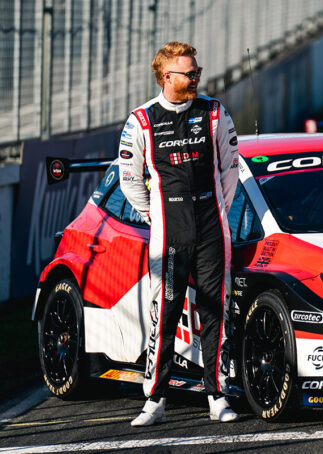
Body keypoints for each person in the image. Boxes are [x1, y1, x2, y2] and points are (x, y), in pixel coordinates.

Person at [119, 41, 240, 426]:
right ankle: (155, 399)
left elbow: (231, 171)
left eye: (197, 72)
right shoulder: (140, 120)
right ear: (167, 76)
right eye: (190, 73)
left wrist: (216, 208)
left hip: (211, 227)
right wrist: (156, 215)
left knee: (214, 312)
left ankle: (216, 395)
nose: (196, 78)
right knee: (165, 315)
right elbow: (129, 181)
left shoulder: (215, 112)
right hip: (168, 233)